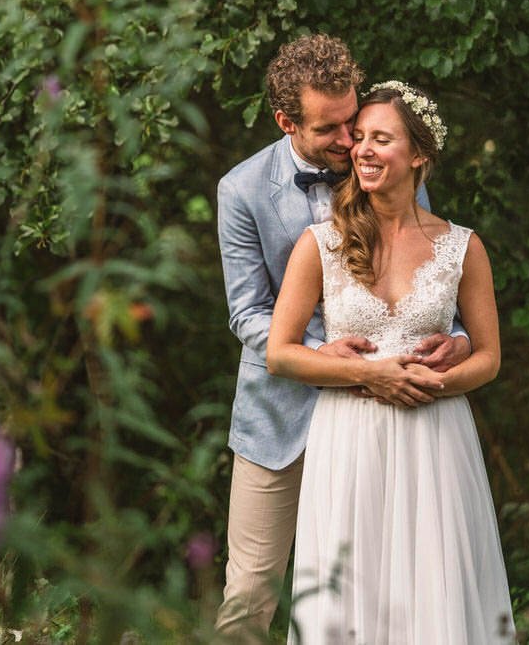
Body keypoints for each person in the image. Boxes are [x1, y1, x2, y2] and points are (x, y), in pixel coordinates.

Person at [216, 35, 472, 642]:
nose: (349, 141)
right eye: (330, 129)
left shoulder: (381, 162)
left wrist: (457, 336)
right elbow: (245, 312)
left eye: (353, 121)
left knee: (382, 587)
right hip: (279, 417)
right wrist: (314, 354)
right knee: (250, 590)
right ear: (286, 122)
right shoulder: (242, 190)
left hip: (379, 417)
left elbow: (427, 269)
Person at [266, 81, 513, 643]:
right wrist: (365, 372)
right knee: (352, 596)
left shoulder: (463, 247)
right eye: (360, 139)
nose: (363, 150)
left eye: (382, 139)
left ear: (419, 154)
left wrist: (438, 380)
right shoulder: (321, 243)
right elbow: (280, 354)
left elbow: (491, 358)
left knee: (435, 589)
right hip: (350, 440)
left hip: (436, 439)